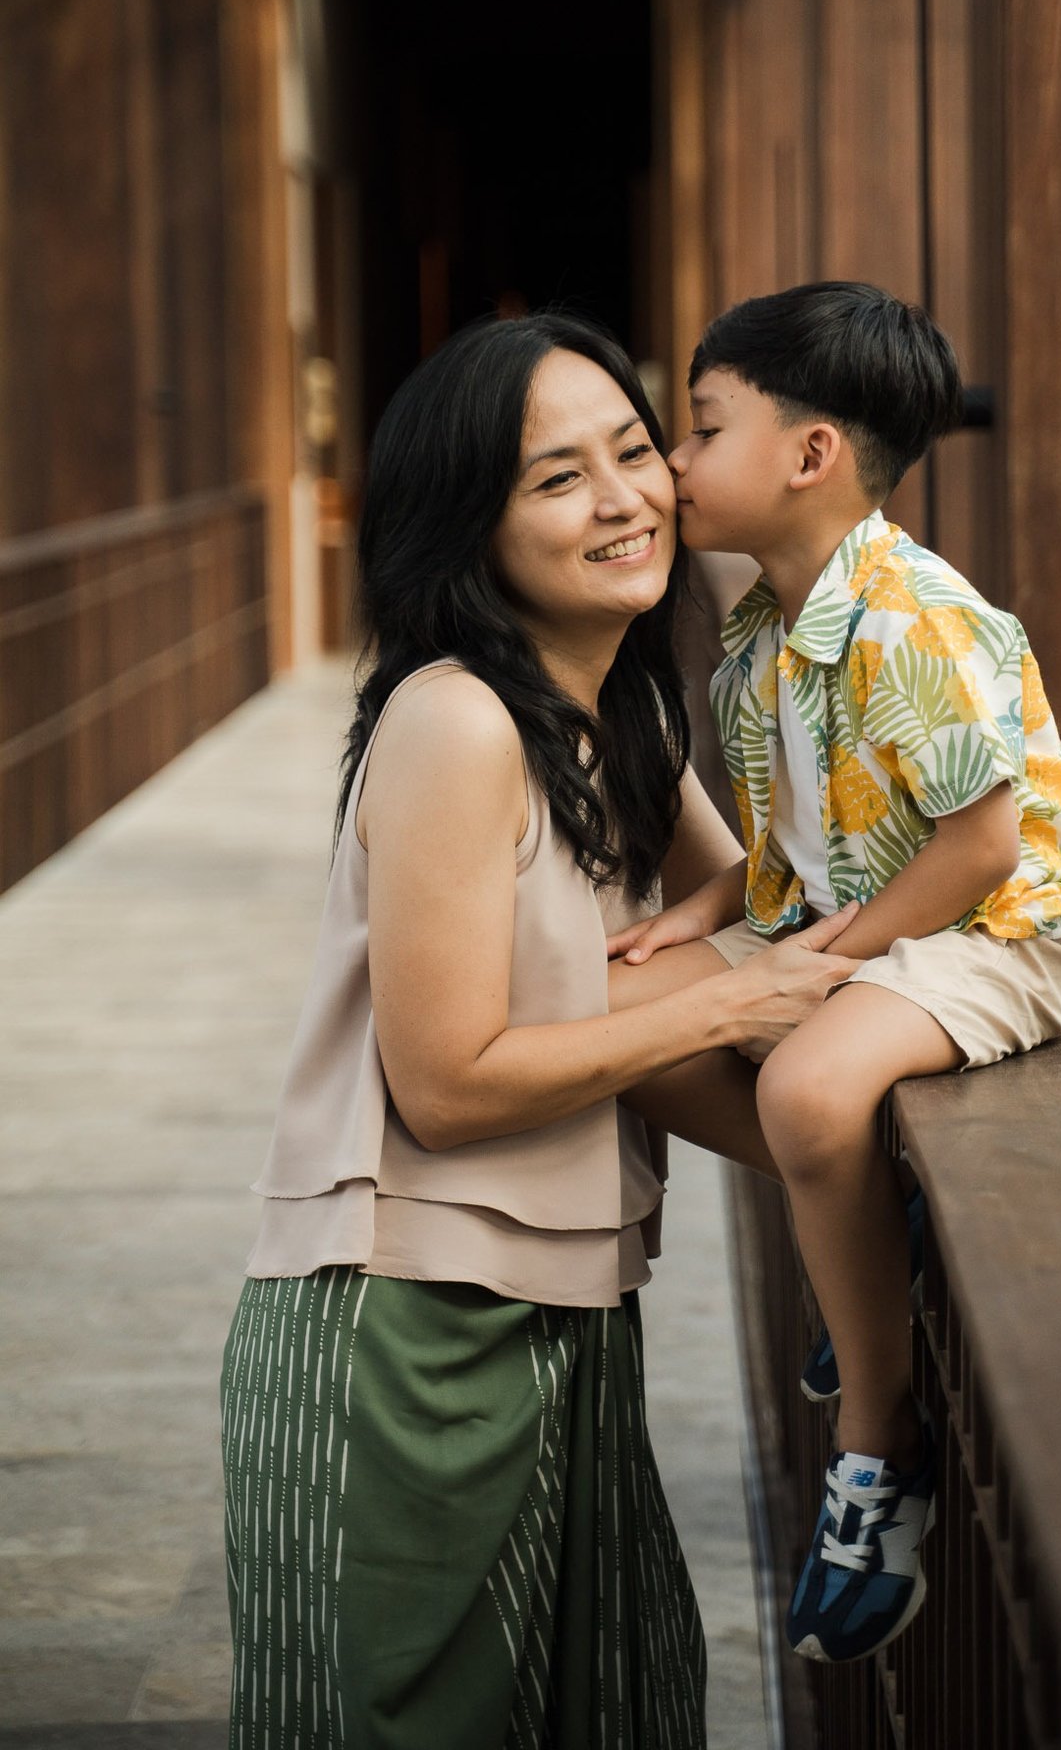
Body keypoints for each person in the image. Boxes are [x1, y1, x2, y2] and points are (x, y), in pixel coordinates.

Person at [219, 310, 863, 1750]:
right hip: (407, 1331)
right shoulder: (458, 724)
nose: (625, 496)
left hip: (569, 1321)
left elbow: (753, 903)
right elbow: (448, 1083)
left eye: (635, 450)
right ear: (470, 529)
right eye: (556, 478)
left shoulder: (619, 714)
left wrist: (1029, 966)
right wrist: (727, 995)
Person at [605, 281, 1061, 1667]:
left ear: (809, 456)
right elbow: (822, 825)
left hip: (1004, 921)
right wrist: (704, 917)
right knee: (620, 1025)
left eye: (699, 428)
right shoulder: (763, 631)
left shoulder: (911, 615)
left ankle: (878, 1443)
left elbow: (979, 844)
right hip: (874, 913)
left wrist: (824, 972)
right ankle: (869, 1221)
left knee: (804, 1084)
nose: (671, 463)